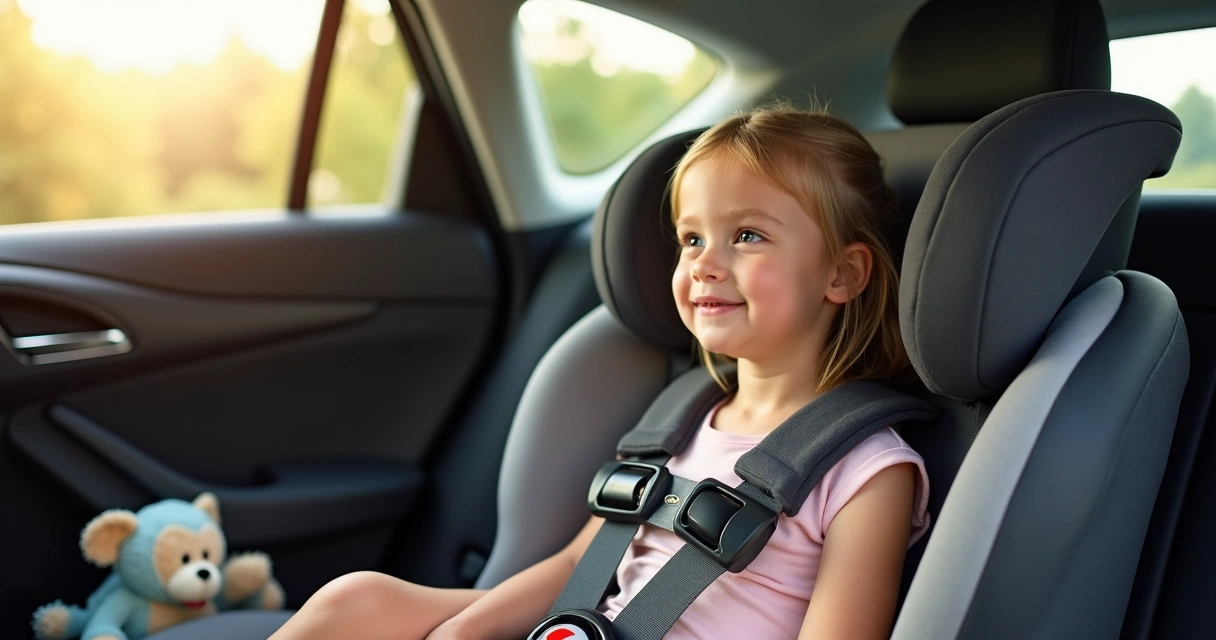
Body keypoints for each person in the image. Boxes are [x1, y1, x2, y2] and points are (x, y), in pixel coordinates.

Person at [269, 105, 930, 640]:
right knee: (356, 601)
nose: (703, 262)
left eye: (747, 236)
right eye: (691, 238)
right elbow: (574, 567)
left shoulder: (867, 471)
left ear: (843, 274)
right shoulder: (680, 418)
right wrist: (466, 631)